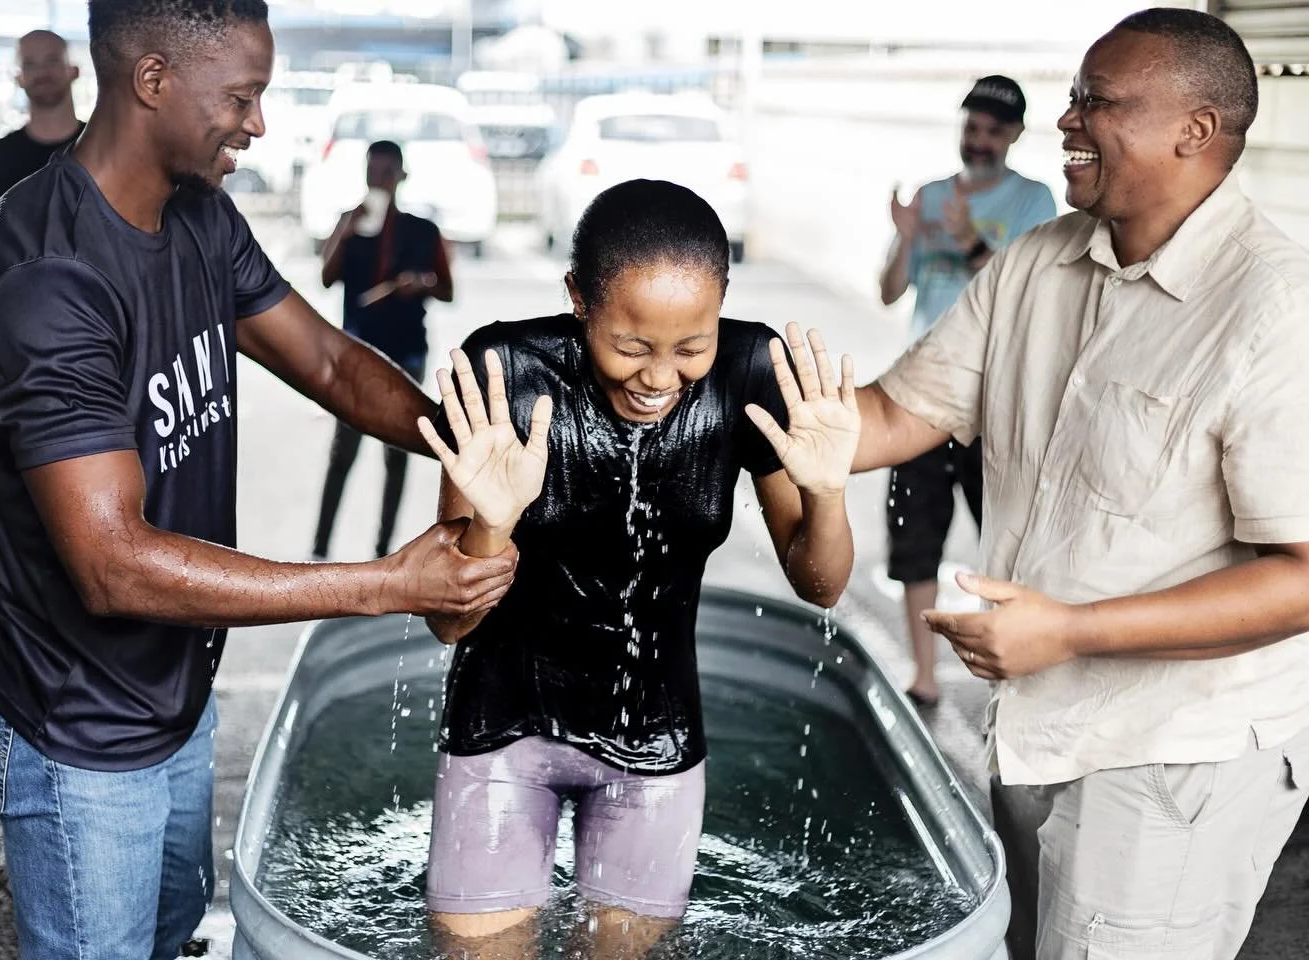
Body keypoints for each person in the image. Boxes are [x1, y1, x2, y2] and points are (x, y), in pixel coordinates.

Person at [0, 3, 516, 959]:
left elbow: (333, 367)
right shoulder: (51, 278)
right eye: (243, 97)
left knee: (169, 931)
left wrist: (470, 439)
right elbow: (114, 567)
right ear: (154, 81)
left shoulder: (201, 216)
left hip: (171, 677)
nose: (259, 124)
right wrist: (386, 584)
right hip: (72, 716)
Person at [840, 9, 1309, 959]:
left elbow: (1302, 573)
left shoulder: (1274, 310)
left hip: (1173, 761)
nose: (1065, 122)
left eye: (1099, 102)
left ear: (1195, 131)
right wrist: (695, 387)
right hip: (1035, 730)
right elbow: (891, 420)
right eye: (1072, 97)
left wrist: (1068, 632)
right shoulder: (1039, 262)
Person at [415, 179, 861, 958]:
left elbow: (820, 584)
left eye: (692, 347)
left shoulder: (754, 372)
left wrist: (827, 493)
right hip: (501, 728)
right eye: (631, 347)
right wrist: (493, 522)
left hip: (657, 744)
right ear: (578, 300)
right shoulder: (505, 373)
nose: (660, 378)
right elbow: (450, 622)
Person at [878, 75, 1057, 707]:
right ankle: (924, 675)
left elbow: (1026, 289)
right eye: (970, 128)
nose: (978, 141)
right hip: (923, 394)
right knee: (915, 534)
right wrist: (906, 234)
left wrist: (969, 240)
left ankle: (1002, 670)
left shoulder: (1035, 202)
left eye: (991, 131)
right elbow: (890, 290)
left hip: (996, 400)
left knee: (1003, 538)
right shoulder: (928, 196)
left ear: (1013, 135)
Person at [311, 139, 454, 560]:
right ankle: (319, 549)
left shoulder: (423, 231)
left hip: (406, 351)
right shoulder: (351, 224)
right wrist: (345, 227)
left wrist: (420, 284)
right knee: (343, 450)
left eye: (387, 173)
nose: (380, 181)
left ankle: (383, 549)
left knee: (397, 454)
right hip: (356, 351)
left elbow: (446, 290)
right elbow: (325, 276)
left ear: (402, 177)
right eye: (373, 173)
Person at [0, 30, 86, 244]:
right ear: (18, 78)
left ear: (74, 71)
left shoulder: (107, 152)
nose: (42, 72)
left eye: (52, 61)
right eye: (30, 64)